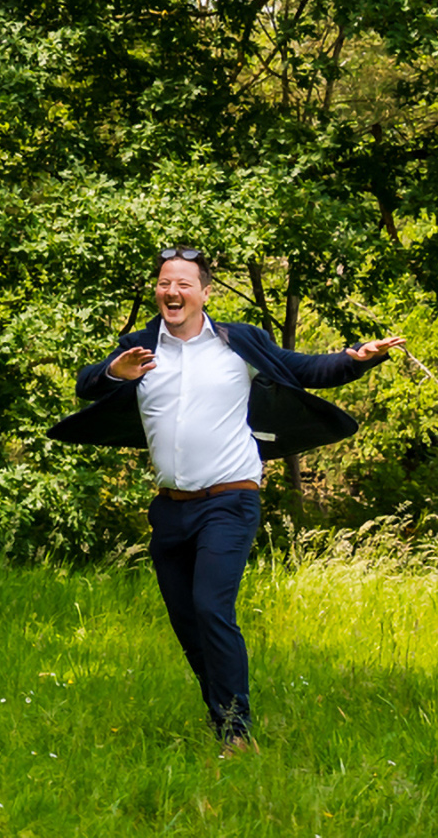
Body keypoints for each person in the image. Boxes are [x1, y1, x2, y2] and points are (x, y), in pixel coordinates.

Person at [51, 246, 404, 755]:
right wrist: (114, 373)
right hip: (170, 507)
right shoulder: (140, 348)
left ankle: (237, 732)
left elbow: (304, 369)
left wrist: (355, 358)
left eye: (183, 284)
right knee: (186, 621)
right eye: (164, 283)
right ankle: (221, 717)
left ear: (205, 292)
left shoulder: (238, 343)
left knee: (211, 607)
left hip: (230, 498)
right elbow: (87, 384)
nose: (172, 291)